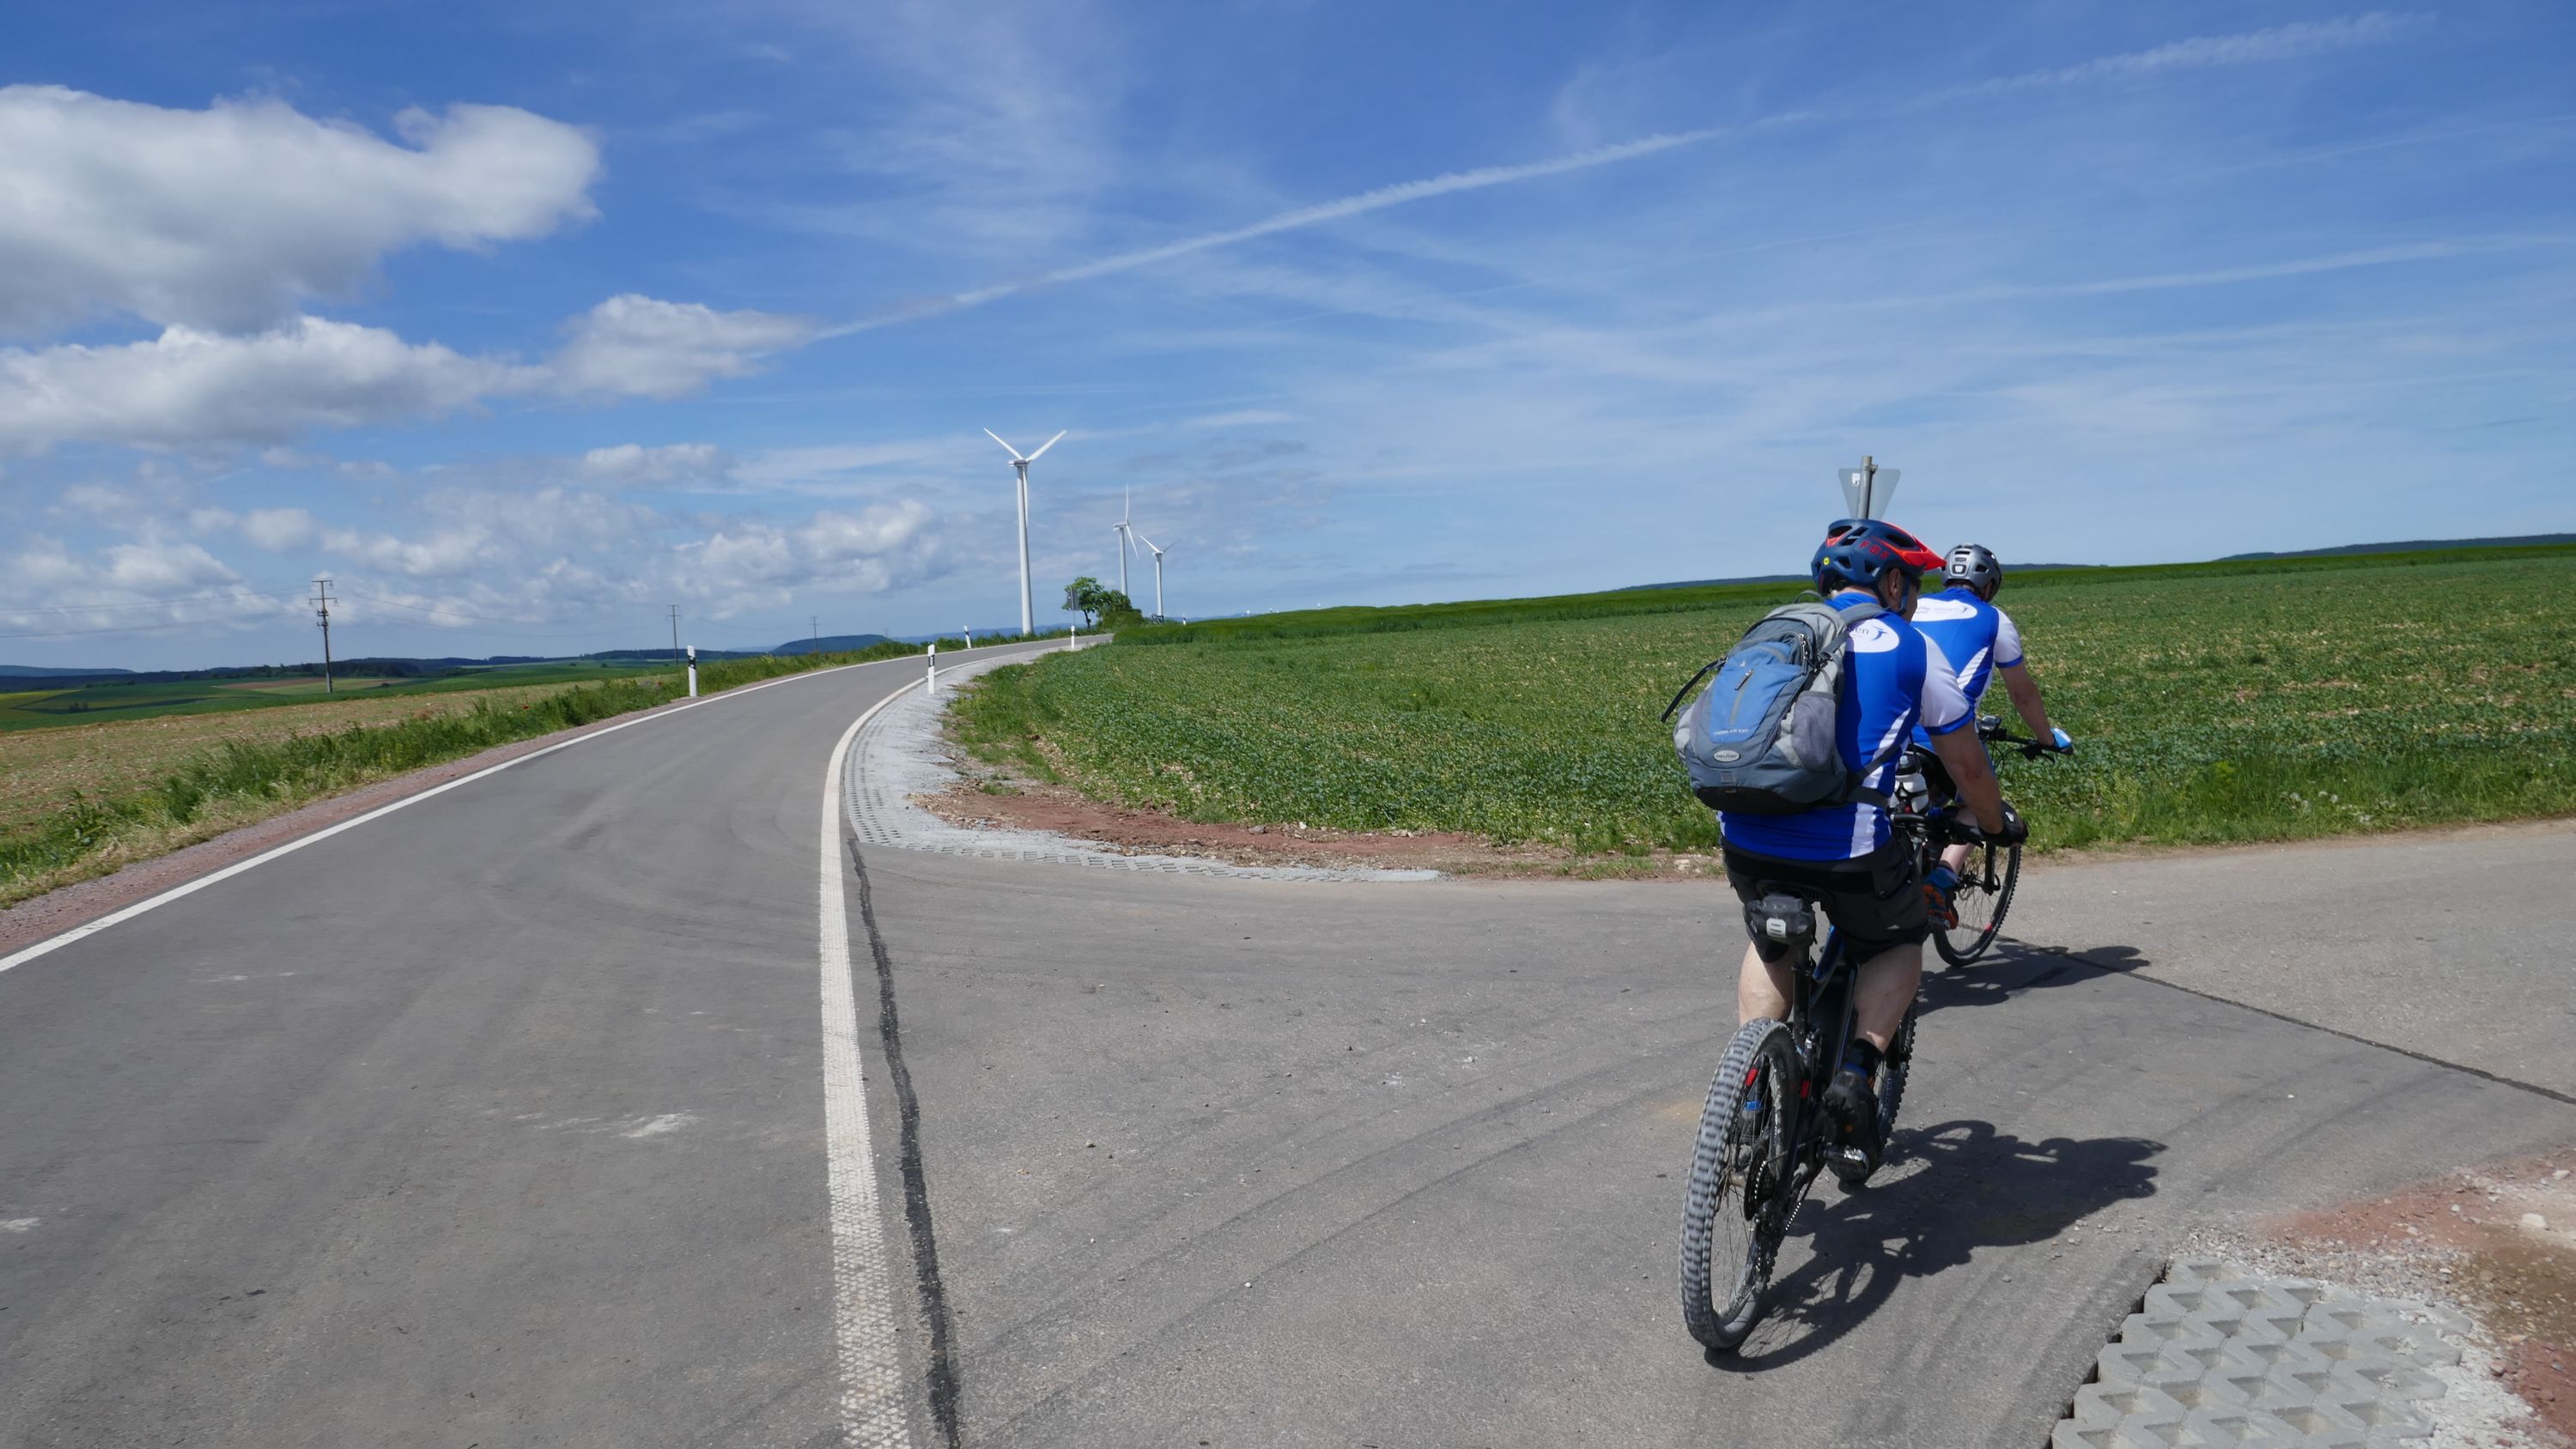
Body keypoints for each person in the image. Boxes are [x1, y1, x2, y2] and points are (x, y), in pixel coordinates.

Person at [1718, 519, 2022, 1178]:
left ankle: (1747, 1087)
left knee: (1772, 941)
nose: (1914, 598)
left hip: (1744, 834)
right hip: (1845, 849)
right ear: (1890, 583)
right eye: (1910, 585)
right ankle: (1857, 1072)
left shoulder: (1776, 628)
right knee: (1897, 938)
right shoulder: (1912, 645)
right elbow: (1967, 766)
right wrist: (1993, 826)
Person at [1907, 543, 2070, 895]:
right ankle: (1942, 879)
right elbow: (2023, 694)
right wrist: (2047, 738)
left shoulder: (1912, 607)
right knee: (1980, 802)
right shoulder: (1995, 619)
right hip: (1946, 736)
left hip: (1893, 732)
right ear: (1990, 585)